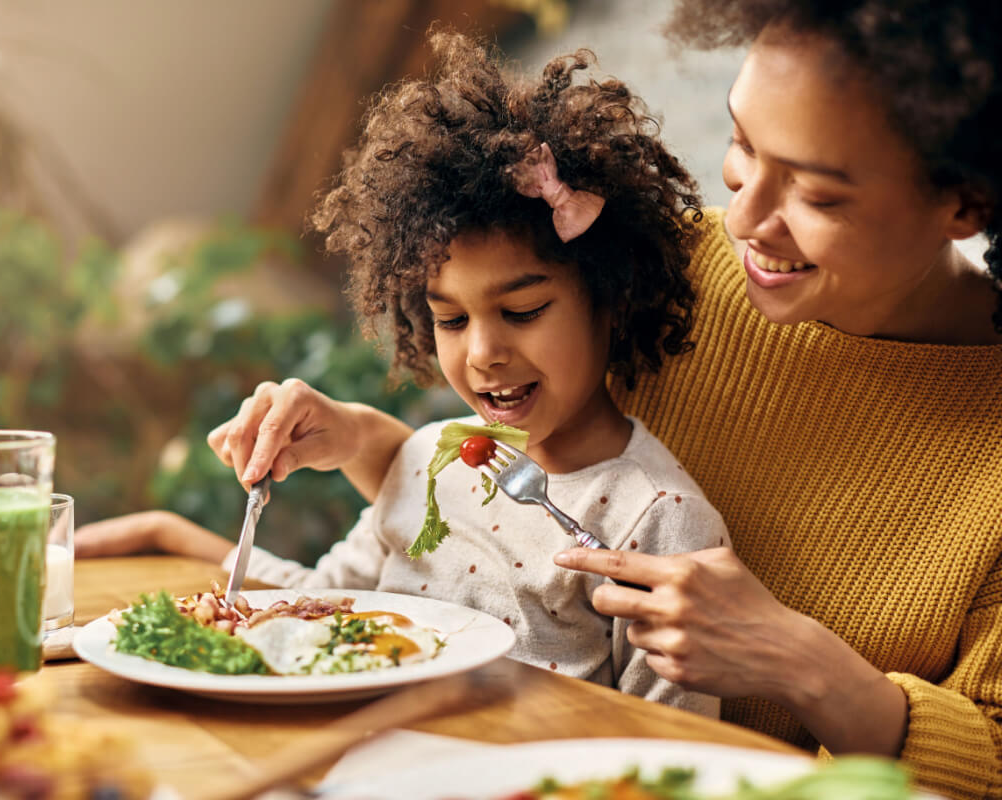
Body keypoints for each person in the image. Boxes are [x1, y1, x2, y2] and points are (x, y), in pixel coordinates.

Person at [140, 2, 1002, 798]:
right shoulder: (655, 263)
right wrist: (371, 443)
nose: (744, 219)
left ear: (966, 200)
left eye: (816, 193)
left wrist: (803, 663)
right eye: (742, 150)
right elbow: (508, 528)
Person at [80, 32, 731, 714]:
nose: (482, 353)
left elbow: (681, 749)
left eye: (524, 310)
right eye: (451, 320)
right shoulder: (431, 463)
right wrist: (174, 541)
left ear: (612, 297)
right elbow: (318, 610)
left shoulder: (659, 522)